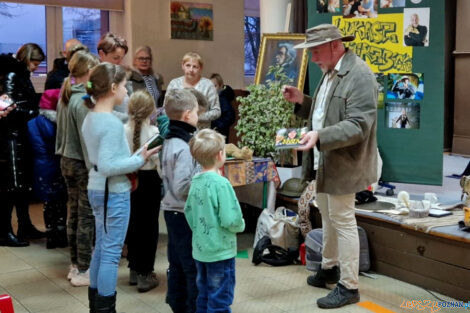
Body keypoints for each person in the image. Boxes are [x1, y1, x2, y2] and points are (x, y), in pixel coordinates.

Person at [282, 24, 377, 309]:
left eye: (317, 50)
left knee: (344, 220)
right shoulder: (330, 71)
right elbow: (325, 112)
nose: (312, 57)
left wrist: (320, 136)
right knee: (327, 214)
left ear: (336, 45)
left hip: (344, 162)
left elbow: (359, 125)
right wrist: (302, 101)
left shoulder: (359, 75)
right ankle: (329, 267)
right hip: (324, 161)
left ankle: (349, 286)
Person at [81, 63, 159, 312]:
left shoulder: (92, 117)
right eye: (125, 86)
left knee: (101, 248)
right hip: (112, 191)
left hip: (97, 188)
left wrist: (138, 152)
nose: (127, 92)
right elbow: (109, 165)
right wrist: (140, 159)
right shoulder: (111, 124)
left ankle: (96, 304)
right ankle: (105, 307)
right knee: (111, 253)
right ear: (113, 87)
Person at [185, 129, 245, 313]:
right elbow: (231, 218)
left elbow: (188, 212)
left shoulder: (195, 181)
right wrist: (240, 225)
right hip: (220, 252)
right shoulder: (221, 183)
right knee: (220, 300)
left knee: (203, 295)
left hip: (201, 251)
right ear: (220, 155)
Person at [56, 50, 100, 286]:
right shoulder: (81, 100)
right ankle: (84, 269)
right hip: (81, 164)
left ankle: (74, 264)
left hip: (66, 160)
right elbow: (87, 141)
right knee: (86, 217)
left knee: (73, 214)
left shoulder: (66, 95)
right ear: (88, 71)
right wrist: (95, 169)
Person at [0, 43, 46, 247]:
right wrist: (34, 114)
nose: (36, 67)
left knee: (21, 186)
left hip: (19, 135)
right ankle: (5, 231)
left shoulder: (18, 74)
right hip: (12, 137)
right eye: (35, 63)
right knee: (12, 187)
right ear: (27, 58)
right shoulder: (12, 75)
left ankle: (24, 225)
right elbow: (10, 108)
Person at [161, 88, 200, 313]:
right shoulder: (183, 148)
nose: (197, 115)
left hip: (170, 210)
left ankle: (177, 304)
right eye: (196, 112)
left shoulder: (168, 141)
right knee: (190, 266)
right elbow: (183, 186)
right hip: (182, 212)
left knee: (175, 262)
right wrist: (202, 178)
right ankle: (191, 307)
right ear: (187, 115)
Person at [124, 90, 162, 292]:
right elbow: (158, 163)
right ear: (151, 111)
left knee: (133, 225)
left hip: (129, 181)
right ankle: (145, 274)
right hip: (149, 182)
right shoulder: (154, 133)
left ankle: (133, 268)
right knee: (149, 228)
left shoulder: (122, 130)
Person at [27, 89, 68, 249]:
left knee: (48, 202)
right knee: (61, 201)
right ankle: (61, 234)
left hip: (41, 167)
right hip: (57, 164)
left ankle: (50, 235)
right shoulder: (59, 124)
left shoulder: (32, 123)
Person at [166, 52, 220, 129]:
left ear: (200, 68)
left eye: (195, 67)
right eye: (188, 65)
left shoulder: (208, 85)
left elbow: (216, 111)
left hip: (201, 135)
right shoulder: (174, 84)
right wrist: (180, 117)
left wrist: (195, 116)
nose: (191, 70)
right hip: (178, 131)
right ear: (182, 65)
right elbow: (165, 109)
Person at [210, 73, 236, 141]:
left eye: (215, 86)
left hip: (220, 133)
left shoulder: (222, 99)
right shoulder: (214, 97)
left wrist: (217, 125)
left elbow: (231, 116)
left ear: (220, 86)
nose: (212, 89)